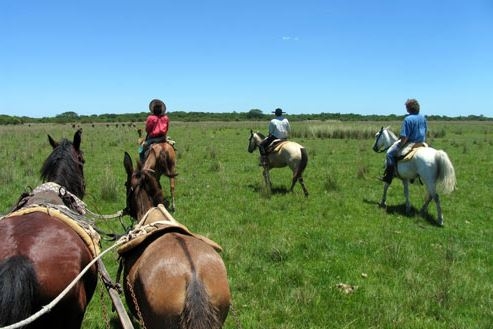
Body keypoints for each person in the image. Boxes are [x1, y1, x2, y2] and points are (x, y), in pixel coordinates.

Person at [382, 98, 427, 184]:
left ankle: (388, 176)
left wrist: (400, 145)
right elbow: (425, 132)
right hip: (421, 143)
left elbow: (404, 138)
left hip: (410, 143)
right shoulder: (423, 118)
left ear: (409, 108)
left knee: (389, 154)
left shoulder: (408, 119)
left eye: (406, 107)